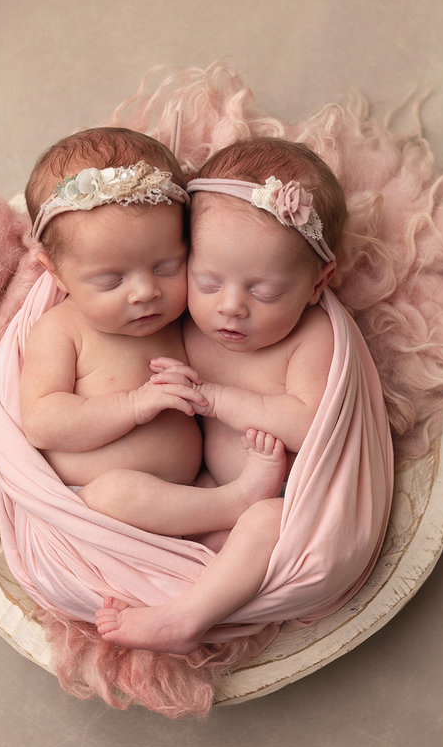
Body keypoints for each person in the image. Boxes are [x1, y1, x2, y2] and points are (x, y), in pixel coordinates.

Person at [93, 137, 347, 654]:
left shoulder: (311, 334)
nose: (230, 307)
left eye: (264, 291)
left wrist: (214, 398)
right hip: (215, 495)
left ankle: (184, 621)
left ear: (317, 284)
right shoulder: (186, 322)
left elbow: (308, 425)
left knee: (264, 523)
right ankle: (196, 562)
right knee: (111, 494)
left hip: (287, 505)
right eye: (208, 283)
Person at [19, 127, 286, 527]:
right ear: (55, 272)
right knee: (117, 491)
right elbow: (42, 423)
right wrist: (132, 405)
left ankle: (221, 516)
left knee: (265, 532)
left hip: (190, 496)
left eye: (166, 267)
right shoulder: (61, 328)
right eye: (111, 280)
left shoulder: (186, 319)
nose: (146, 292)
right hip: (96, 505)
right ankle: (234, 502)